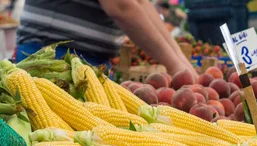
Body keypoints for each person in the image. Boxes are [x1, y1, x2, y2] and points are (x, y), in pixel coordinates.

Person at [16, 0, 195, 76]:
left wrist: (182, 64)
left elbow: (140, 2)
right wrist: (175, 65)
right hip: (53, 57)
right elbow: (121, 7)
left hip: (86, 61)